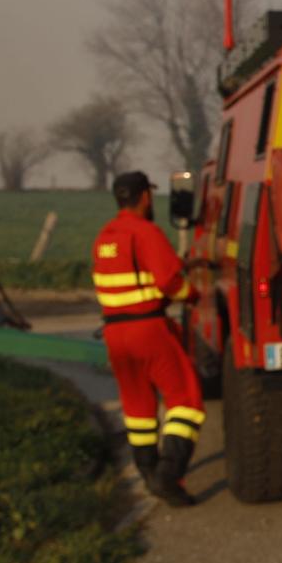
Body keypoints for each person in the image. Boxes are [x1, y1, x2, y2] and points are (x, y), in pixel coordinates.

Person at [93, 171, 204, 508]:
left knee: (138, 406)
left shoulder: (104, 238)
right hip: (148, 330)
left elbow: (130, 284)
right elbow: (170, 281)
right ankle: (168, 477)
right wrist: (193, 294)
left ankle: (147, 469)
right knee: (186, 401)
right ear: (143, 197)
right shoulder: (146, 232)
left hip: (115, 333)